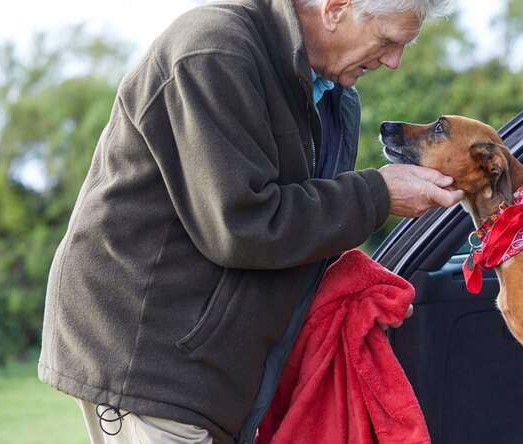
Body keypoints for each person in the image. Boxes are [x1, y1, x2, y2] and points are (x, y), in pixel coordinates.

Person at [38, 0, 462, 443]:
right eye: (389, 41)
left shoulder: (331, 94)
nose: (394, 62)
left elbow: (303, 236)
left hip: (215, 376)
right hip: (153, 367)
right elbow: (242, 225)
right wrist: (379, 194)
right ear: (336, 9)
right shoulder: (214, 50)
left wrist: (360, 298)